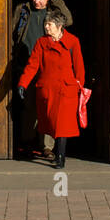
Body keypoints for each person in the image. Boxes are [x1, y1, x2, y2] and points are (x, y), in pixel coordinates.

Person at [16, 9, 84, 168]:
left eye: (50, 24)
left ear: (59, 26)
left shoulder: (72, 42)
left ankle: (61, 156)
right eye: (46, 24)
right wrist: (23, 83)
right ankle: (55, 154)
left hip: (66, 90)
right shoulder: (41, 43)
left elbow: (79, 67)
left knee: (62, 126)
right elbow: (33, 65)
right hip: (47, 90)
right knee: (50, 124)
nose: (46, 27)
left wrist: (80, 86)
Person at [11, 0, 72, 157]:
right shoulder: (22, 11)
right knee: (29, 106)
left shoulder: (53, 12)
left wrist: (57, 0)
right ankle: (27, 142)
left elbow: (68, 20)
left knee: (48, 107)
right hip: (27, 65)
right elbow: (12, 33)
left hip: (48, 67)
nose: (36, 1)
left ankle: (47, 147)